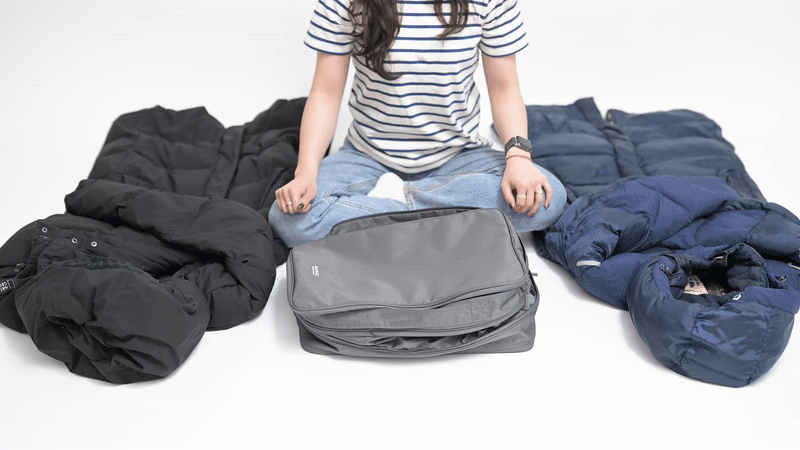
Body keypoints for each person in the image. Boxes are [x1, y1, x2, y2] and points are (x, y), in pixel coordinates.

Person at [269, 0, 566, 248]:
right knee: (291, 220)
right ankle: (445, 220)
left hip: (459, 156)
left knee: (547, 198)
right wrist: (305, 174)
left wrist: (518, 157)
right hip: (366, 156)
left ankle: (394, 205)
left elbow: (505, 89)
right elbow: (325, 93)